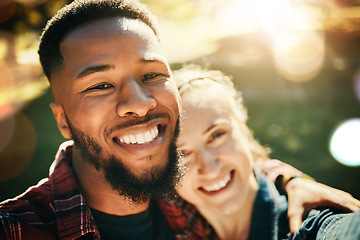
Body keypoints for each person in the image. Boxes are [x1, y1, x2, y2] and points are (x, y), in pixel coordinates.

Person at [0, 0, 359, 239]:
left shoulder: (183, 190)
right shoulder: (19, 228)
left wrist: (293, 180)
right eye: (101, 84)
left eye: (152, 75)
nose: (139, 105)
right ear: (63, 120)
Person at [159, 64, 360, 239]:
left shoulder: (304, 226)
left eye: (216, 135)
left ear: (243, 129)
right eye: (181, 154)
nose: (209, 167)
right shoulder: (164, 216)